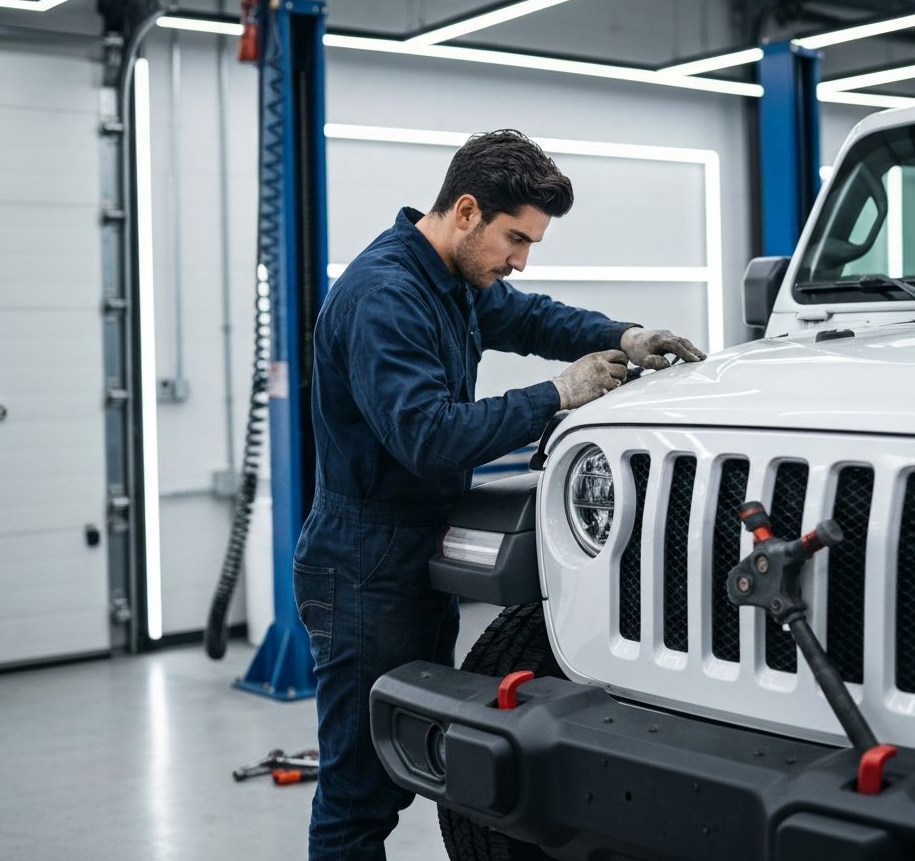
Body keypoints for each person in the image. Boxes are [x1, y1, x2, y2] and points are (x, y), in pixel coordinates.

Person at [293, 129, 705, 860]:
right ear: (466, 211)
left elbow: (532, 316)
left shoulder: (452, 279)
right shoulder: (386, 297)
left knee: (395, 766)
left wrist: (627, 336)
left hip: (410, 547)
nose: (519, 259)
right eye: (515, 239)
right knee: (358, 794)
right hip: (362, 562)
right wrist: (557, 394)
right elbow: (427, 436)